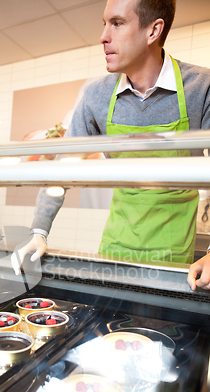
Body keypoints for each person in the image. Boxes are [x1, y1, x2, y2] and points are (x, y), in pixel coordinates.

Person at [11, 0, 210, 291]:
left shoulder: (201, 87)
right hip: (115, 246)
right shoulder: (96, 95)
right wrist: (39, 231)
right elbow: (63, 167)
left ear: (153, 30)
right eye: (104, 24)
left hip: (174, 253)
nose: (103, 36)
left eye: (116, 23)